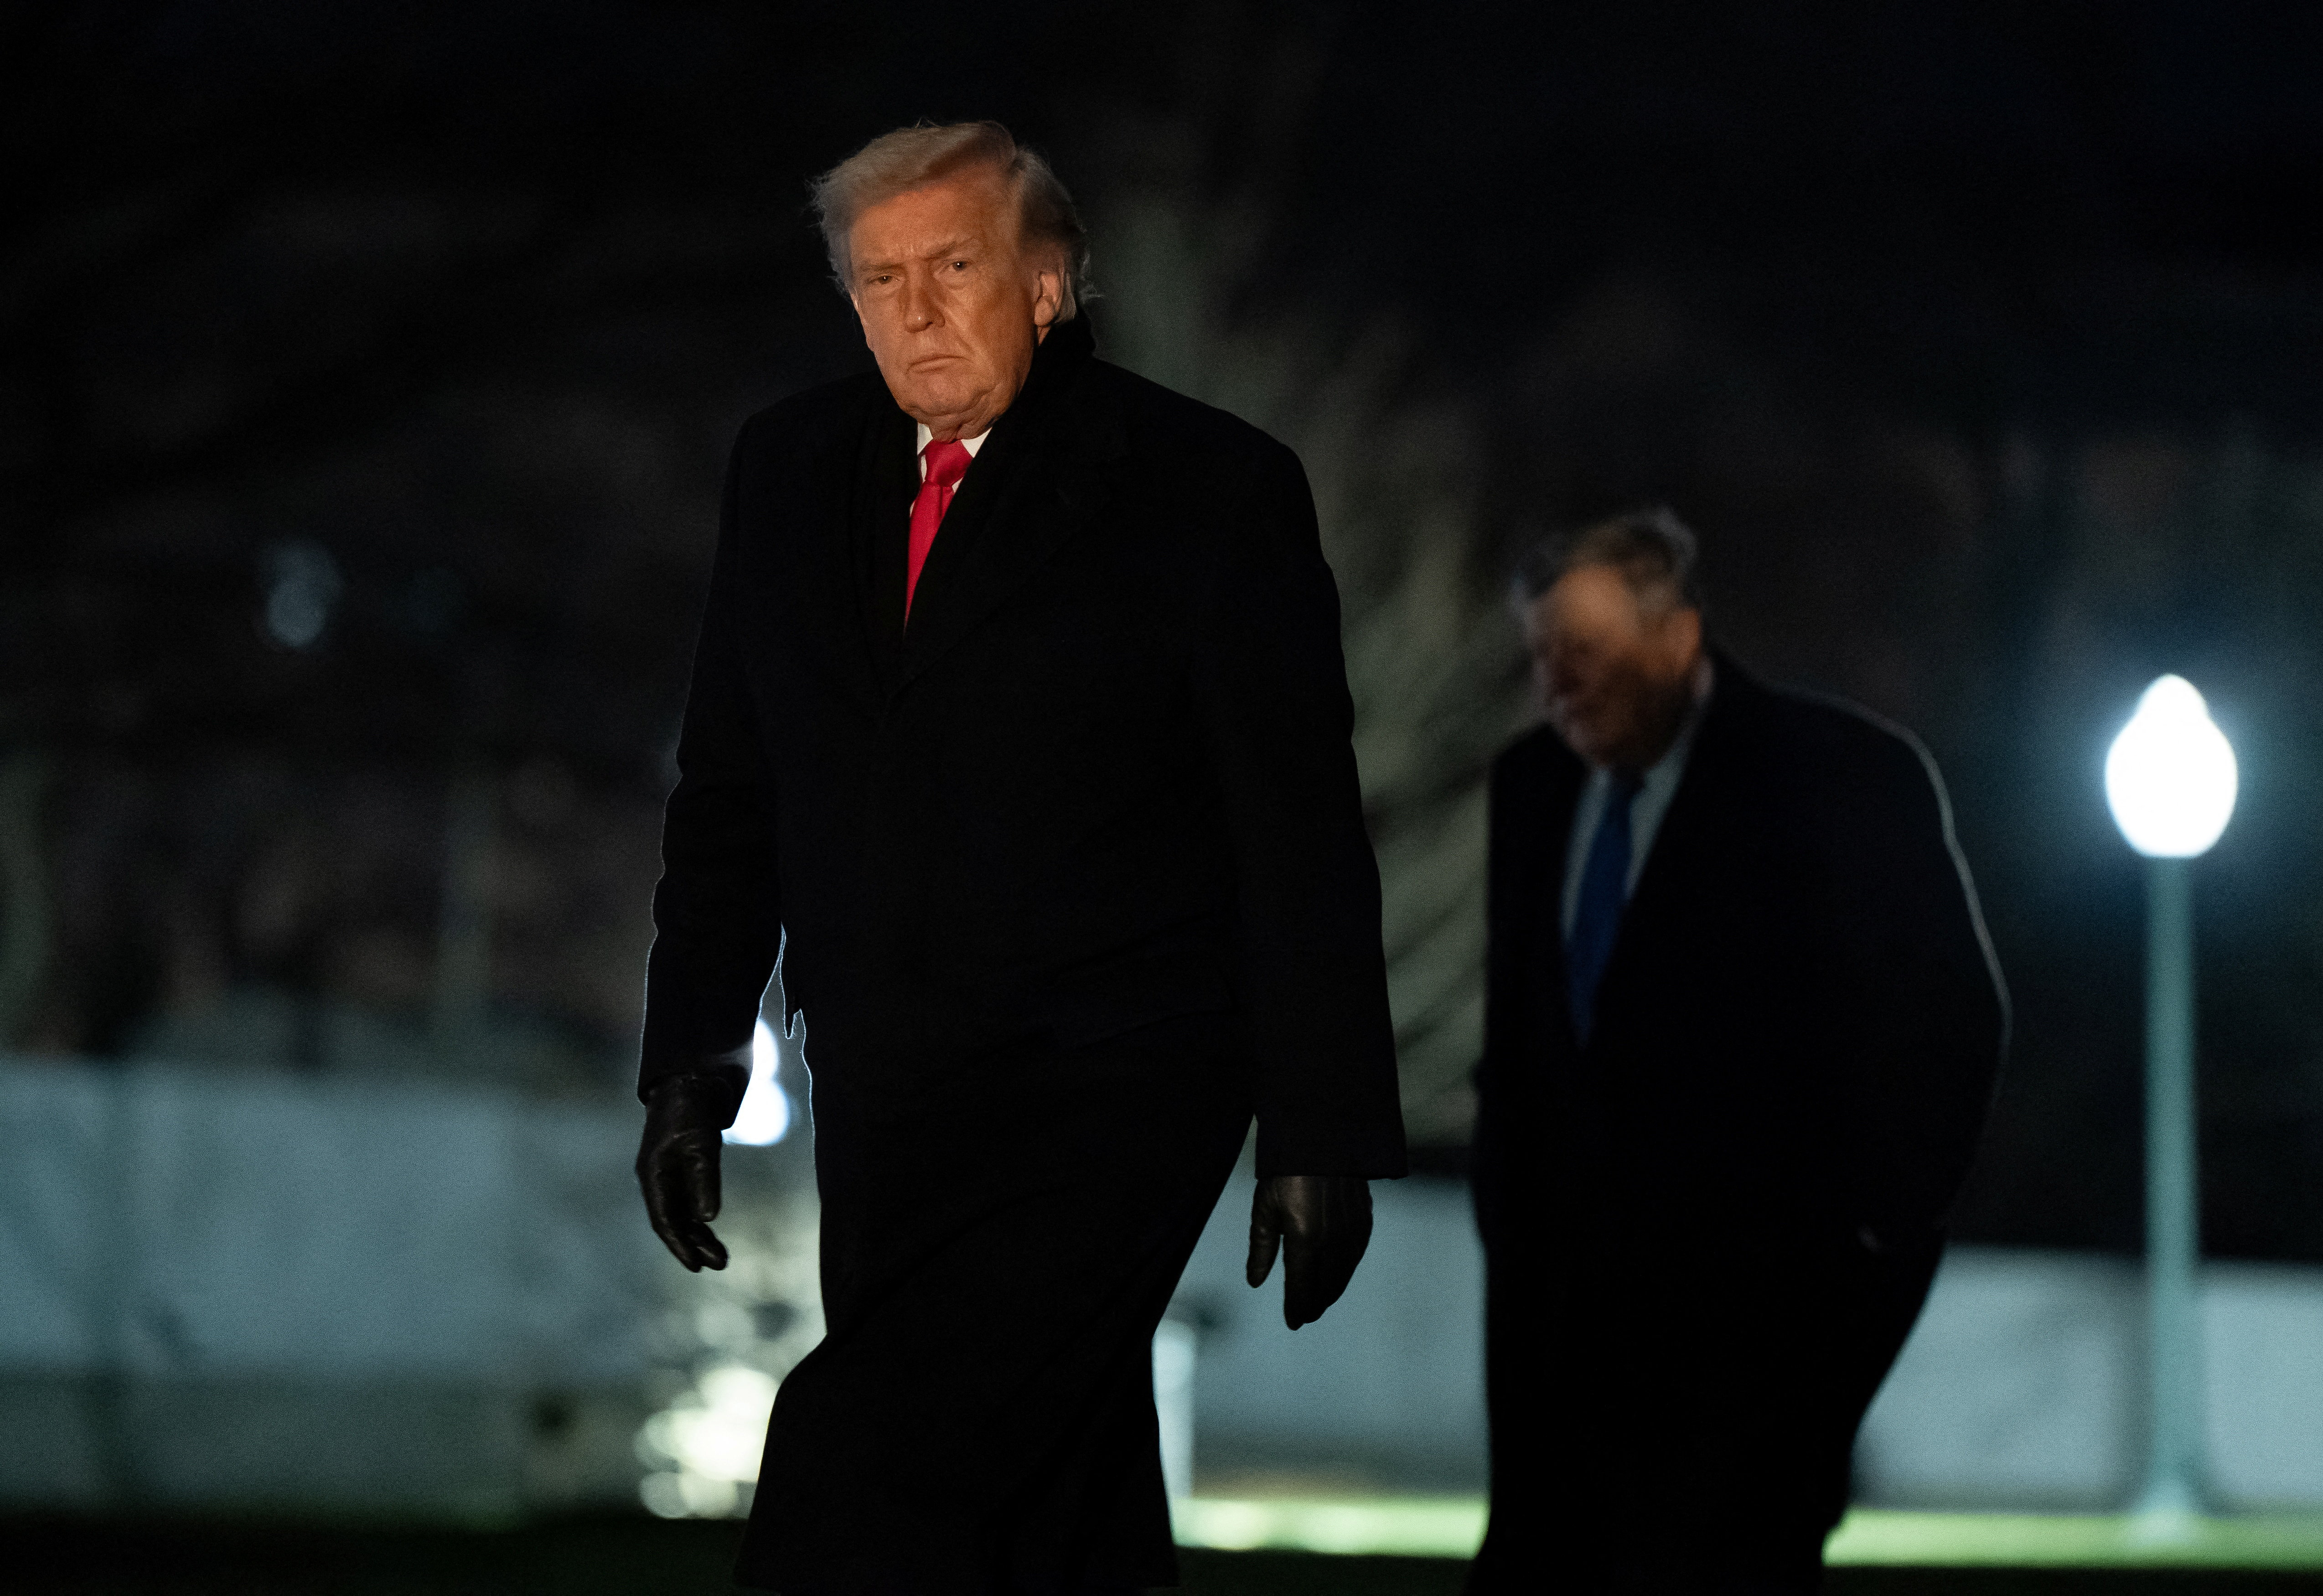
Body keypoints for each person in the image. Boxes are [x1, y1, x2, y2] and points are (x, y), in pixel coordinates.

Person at [631, 121, 1407, 1595]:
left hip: (1120, 1079)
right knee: (1056, 1490)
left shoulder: (1210, 491)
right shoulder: (787, 470)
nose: (911, 309)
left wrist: (1321, 1124)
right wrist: (690, 1056)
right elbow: (732, 787)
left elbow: (1295, 824)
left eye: (954, 267)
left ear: (1048, 287)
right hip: (888, 1067)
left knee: (869, 1449)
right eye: (876, 280)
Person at [1469, 509, 2006, 1594]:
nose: (1555, 683)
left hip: (1756, 1367)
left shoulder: (1842, 779)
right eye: (1541, 654)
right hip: (1556, 1365)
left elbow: (1946, 1028)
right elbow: (1529, 1051)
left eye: (1586, 650)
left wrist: (1862, 1253)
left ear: (1675, 639)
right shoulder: (1531, 786)